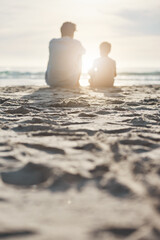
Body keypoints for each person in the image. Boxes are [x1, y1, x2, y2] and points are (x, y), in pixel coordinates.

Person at [45, 22, 85, 88]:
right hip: (70, 82)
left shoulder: (52, 42)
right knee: (79, 56)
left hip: (51, 81)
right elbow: (84, 52)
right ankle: (77, 82)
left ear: (61, 31)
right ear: (73, 32)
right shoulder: (76, 43)